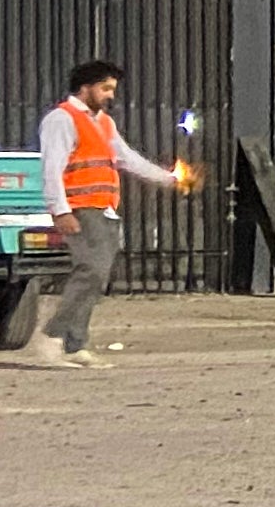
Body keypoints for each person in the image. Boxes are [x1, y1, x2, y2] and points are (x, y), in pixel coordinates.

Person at [23, 57, 200, 368]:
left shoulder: (103, 123)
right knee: (90, 272)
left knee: (97, 276)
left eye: (112, 89)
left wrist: (170, 179)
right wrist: (60, 210)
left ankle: (75, 344)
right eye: (105, 88)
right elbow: (51, 169)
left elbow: (126, 158)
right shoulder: (61, 120)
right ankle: (53, 337)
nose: (110, 95)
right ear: (85, 87)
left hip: (103, 209)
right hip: (81, 210)